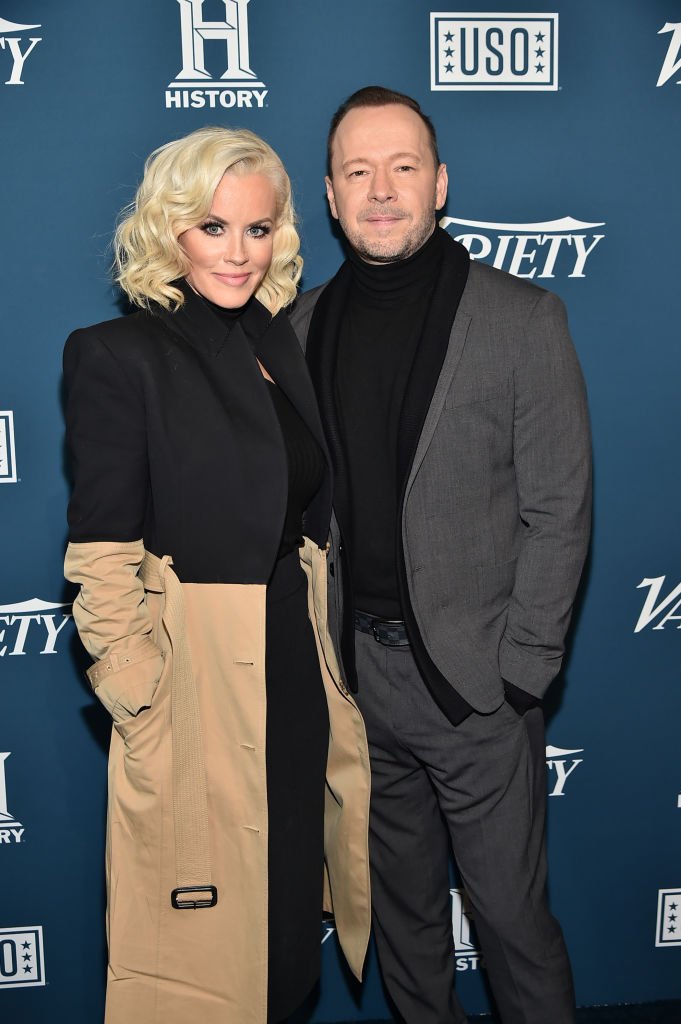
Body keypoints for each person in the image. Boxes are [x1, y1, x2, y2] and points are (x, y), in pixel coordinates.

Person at [290, 86, 592, 1024]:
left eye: (403, 167)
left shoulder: (522, 319)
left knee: (508, 920)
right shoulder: (298, 329)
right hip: (354, 682)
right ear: (331, 197)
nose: (381, 190)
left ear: (440, 184)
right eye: (358, 171)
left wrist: (518, 675)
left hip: (474, 688)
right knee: (406, 922)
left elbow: (559, 508)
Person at [63, 126, 370, 1024]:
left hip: (290, 651)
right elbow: (101, 544)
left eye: (259, 229)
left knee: (282, 909)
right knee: (200, 937)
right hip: (193, 666)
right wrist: (139, 690)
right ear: (169, 231)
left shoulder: (282, 349)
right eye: (212, 227)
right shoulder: (117, 355)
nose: (238, 253)